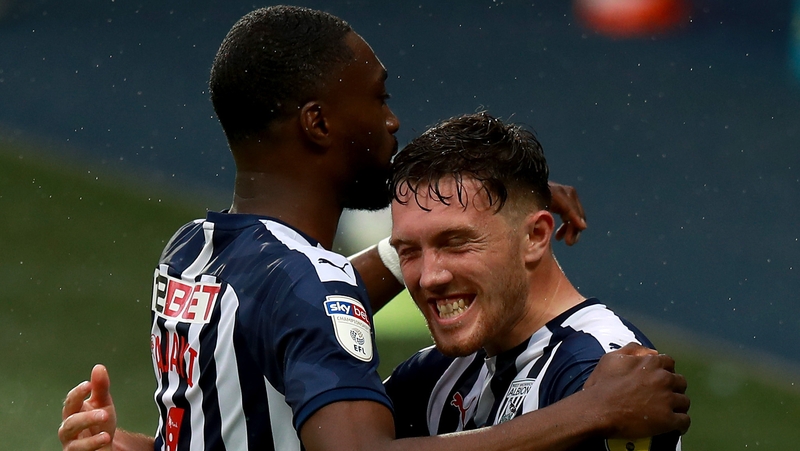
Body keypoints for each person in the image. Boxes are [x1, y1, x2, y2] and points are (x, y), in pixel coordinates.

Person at [58, 6, 689, 451]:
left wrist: (495, 213)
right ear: (318, 122)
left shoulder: (195, 251)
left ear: (536, 234)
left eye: (453, 241)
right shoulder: (344, 309)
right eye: (380, 98)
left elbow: (287, 324)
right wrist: (590, 413)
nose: (393, 121)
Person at [383, 112, 686, 450]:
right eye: (408, 251)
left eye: (456, 243)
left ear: (535, 236)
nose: (429, 277)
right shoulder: (439, 375)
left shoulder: (600, 372)